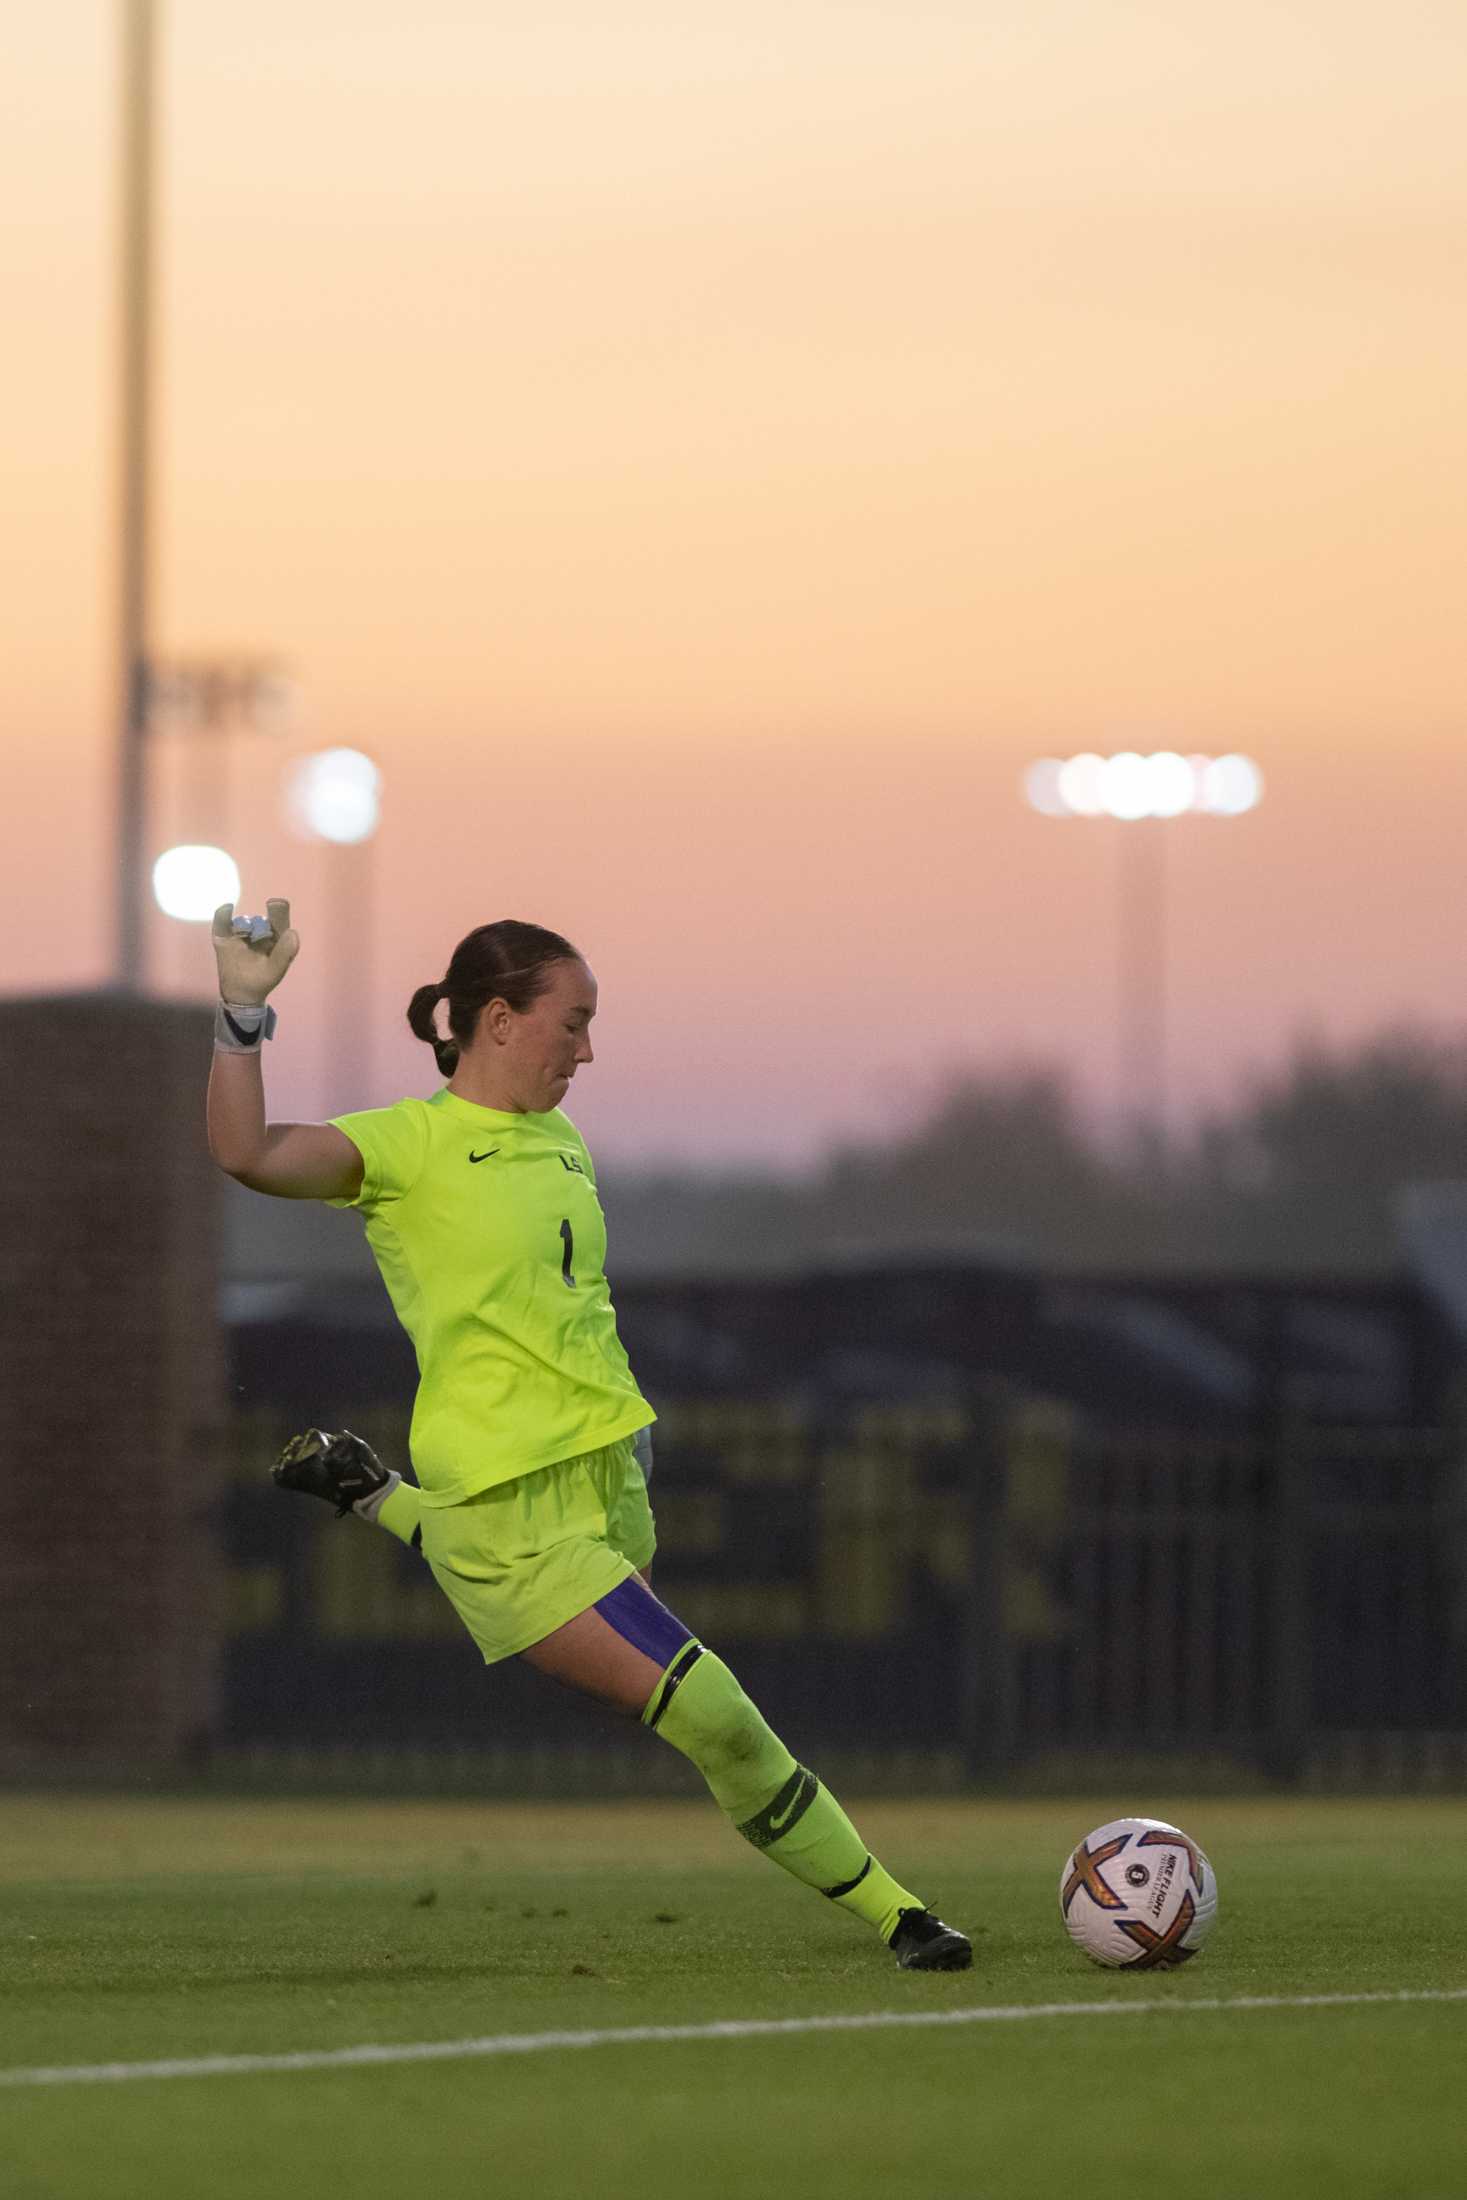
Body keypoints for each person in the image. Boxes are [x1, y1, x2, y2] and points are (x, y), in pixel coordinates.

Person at [207, 899, 971, 1972]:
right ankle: (903, 1916)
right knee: (721, 1717)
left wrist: (626, 1435)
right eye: (573, 1022)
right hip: (515, 1510)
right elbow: (245, 1150)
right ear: (498, 1019)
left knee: (702, 1715)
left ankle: (382, 1498)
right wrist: (243, 1013)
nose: (589, 1047)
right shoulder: (409, 1146)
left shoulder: (559, 1140)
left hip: (609, 1475)